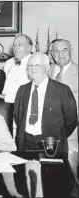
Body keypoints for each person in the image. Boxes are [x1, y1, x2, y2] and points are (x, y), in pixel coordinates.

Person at [14, 52, 77, 154]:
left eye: (37, 65)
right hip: (26, 143)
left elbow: (71, 120)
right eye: (30, 66)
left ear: (47, 67)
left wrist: (58, 136)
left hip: (52, 144)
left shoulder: (62, 90)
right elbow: (18, 116)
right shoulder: (22, 90)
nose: (33, 69)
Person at [48, 39, 78, 175]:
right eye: (56, 50)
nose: (60, 54)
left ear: (71, 51)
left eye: (64, 50)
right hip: (48, 131)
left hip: (72, 131)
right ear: (52, 54)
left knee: (70, 170)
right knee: (50, 171)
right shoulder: (48, 71)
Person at [2, 33, 33, 103]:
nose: (16, 48)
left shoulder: (34, 63)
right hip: (6, 105)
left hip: (24, 105)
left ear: (29, 48)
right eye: (14, 45)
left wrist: (6, 98)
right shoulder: (9, 63)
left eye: (20, 45)